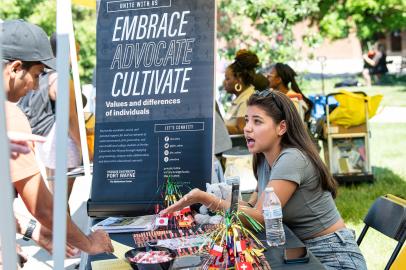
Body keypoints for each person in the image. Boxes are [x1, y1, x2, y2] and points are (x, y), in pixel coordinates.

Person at [162, 90, 367, 270]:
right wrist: (220, 199)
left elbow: (258, 218)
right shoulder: (264, 158)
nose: (247, 128)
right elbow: (252, 206)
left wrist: (207, 199)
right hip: (298, 251)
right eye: (247, 120)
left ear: (281, 127)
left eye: (257, 121)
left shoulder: (292, 158)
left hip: (332, 256)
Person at [2, 19, 113, 255]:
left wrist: (35, 230)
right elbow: (43, 207)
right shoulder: (9, 116)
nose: (34, 87)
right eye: (36, 74)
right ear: (15, 68)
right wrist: (89, 243)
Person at [18, 32, 82, 202]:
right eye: (76, 51)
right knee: (61, 201)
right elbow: (69, 118)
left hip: (47, 142)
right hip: (63, 144)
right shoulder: (60, 78)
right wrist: (82, 147)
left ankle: (59, 228)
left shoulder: (46, 75)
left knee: (56, 198)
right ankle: (62, 229)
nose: (79, 57)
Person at [223, 49, 259, 134]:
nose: (224, 82)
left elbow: (241, 129)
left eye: (227, 78)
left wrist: (216, 127)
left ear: (239, 78)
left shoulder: (246, 100)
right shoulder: (241, 99)